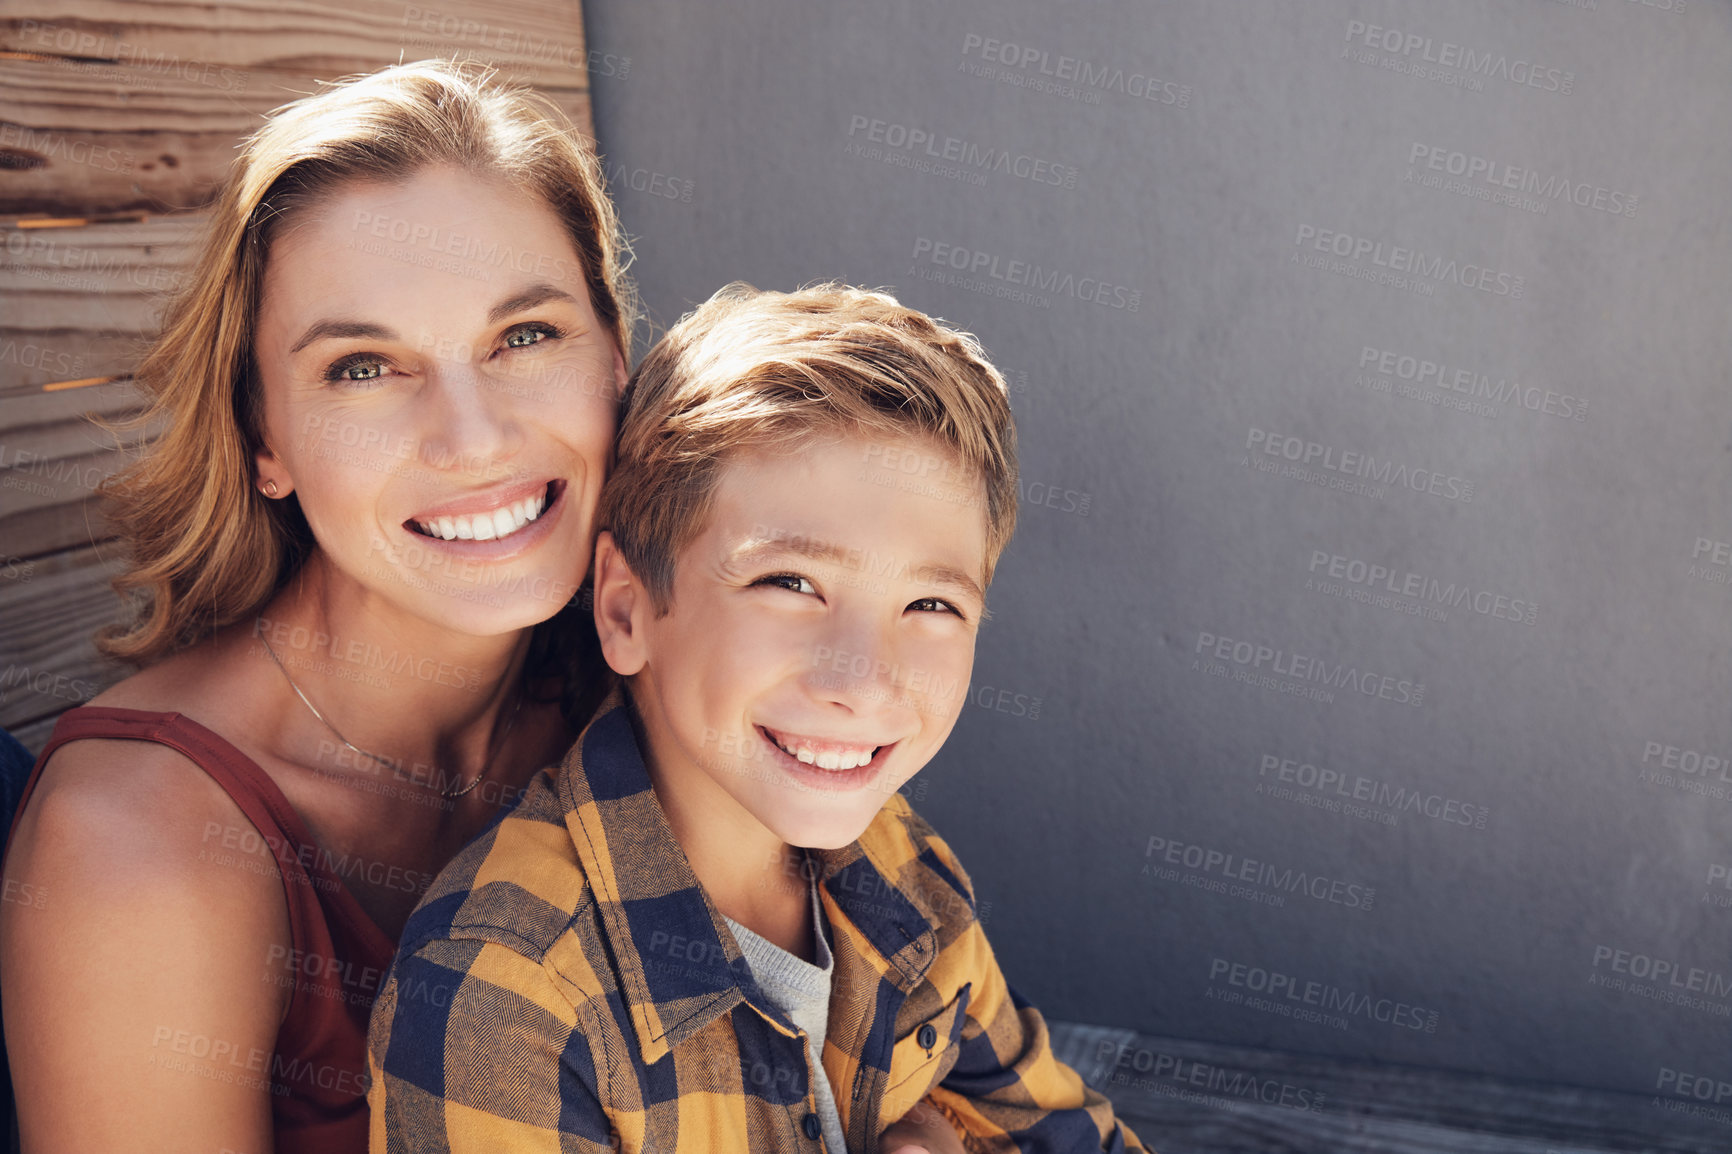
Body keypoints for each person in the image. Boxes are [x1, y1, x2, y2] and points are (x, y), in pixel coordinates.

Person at [0, 60, 633, 1154]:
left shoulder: (649, 674)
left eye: (524, 335)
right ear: (263, 440)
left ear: (616, 355)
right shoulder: (140, 847)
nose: (473, 436)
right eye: (362, 367)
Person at [368, 284, 1150, 1153]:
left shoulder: (901, 871)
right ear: (626, 610)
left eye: (930, 603)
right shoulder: (506, 997)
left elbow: (1077, 1136)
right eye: (790, 584)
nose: (862, 679)